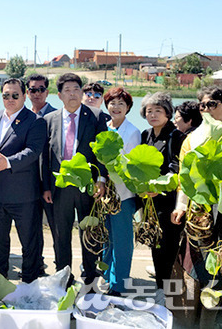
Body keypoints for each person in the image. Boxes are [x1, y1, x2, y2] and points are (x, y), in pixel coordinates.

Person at [169, 86, 222, 327]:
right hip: (198, 215)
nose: (206, 109)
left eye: (212, 104)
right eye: (202, 105)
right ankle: (191, 320)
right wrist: (180, 206)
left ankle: (213, 320)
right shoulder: (190, 139)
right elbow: (185, 178)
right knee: (193, 269)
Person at [42, 73, 107, 286]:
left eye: (76, 89)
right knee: (61, 234)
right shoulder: (49, 120)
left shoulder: (97, 117)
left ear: (82, 92)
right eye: (67, 90)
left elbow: (103, 152)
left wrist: (102, 179)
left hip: (87, 186)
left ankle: (90, 273)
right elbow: (45, 157)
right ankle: (64, 275)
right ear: (59, 95)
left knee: (89, 231)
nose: (73, 93)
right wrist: (46, 187)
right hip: (59, 187)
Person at [0, 78, 46, 283]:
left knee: (30, 243)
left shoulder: (35, 120)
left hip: (24, 196)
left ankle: (30, 282)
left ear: (24, 95)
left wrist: (8, 163)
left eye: (14, 95)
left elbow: (33, 151)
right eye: (5, 95)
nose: (10, 99)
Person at [139, 92, 185, 292]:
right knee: (155, 245)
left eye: (158, 110)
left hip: (169, 201)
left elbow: (177, 166)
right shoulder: (145, 135)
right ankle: (160, 288)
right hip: (149, 202)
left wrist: (158, 186)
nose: (153, 114)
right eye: (149, 111)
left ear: (168, 113)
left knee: (169, 247)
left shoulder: (177, 136)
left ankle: (169, 292)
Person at [102, 87, 140, 296]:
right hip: (104, 194)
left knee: (123, 240)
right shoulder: (104, 126)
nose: (116, 107)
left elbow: (132, 166)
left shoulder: (132, 131)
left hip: (123, 194)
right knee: (107, 237)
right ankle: (107, 276)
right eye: (112, 103)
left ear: (128, 108)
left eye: (121, 104)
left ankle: (119, 285)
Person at [26, 73, 56, 275]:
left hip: (51, 183)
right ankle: (36, 265)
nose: (37, 94)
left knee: (57, 228)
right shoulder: (23, 115)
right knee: (32, 227)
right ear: (27, 93)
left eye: (41, 89)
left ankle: (63, 268)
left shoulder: (56, 115)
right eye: (32, 90)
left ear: (47, 91)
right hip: (28, 181)